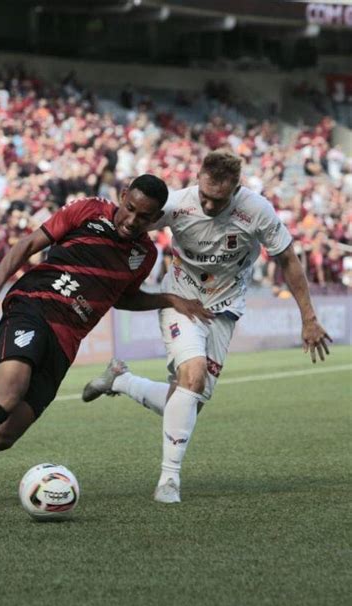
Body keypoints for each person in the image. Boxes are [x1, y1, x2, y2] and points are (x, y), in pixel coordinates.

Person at [0, 175, 213, 514]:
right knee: (8, 394)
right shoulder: (88, 210)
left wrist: (170, 300)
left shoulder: (143, 255)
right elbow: (27, 244)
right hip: (32, 307)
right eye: (129, 209)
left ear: (156, 216)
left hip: (67, 340)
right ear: (122, 196)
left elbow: (122, 298)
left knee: (2, 437)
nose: (132, 220)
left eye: (144, 216)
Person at [81, 151, 332, 504]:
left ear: (237, 188)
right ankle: (169, 481)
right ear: (197, 178)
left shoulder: (256, 211)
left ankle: (121, 380)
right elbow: (128, 223)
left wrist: (308, 317)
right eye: (205, 196)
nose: (210, 205)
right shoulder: (178, 204)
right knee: (193, 375)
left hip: (224, 310)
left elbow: (288, 259)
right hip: (180, 299)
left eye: (220, 199)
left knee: (187, 402)